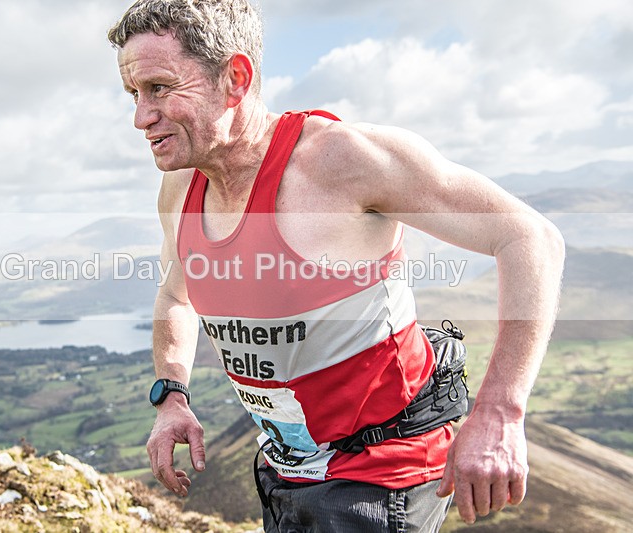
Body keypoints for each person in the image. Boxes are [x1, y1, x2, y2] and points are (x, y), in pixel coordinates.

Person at [107, 1, 565, 531]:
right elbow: (176, 298)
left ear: (234, 77)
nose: (141, 117)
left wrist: (500, 413)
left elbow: (529, 237)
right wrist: (172, 395)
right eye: (134, 94)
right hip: (286, 469)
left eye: (160, 88)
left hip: (384, 475)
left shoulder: (341, 162)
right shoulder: (182, 185)